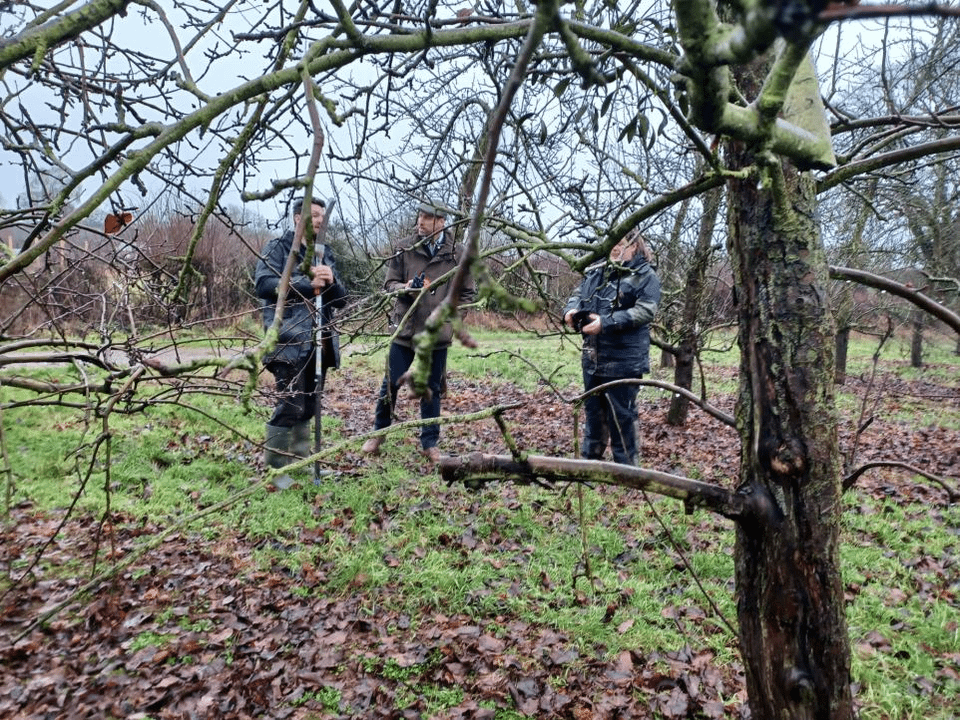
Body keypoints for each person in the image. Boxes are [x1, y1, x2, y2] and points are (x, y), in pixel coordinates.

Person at [361, 199, 476, 463]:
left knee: (431, 388)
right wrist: (406, 288)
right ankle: (379, 433)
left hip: (436, 336)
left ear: (441, 222)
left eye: (427, 218)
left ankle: (429, 442)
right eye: (419, 217)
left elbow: (467, 293)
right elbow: (389, 284)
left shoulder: (457, 254)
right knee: (390, 384)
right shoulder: (404, 247)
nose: (420, 223)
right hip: (405, 329)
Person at [254, 198, 347, 486]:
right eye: (313, 215)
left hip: (320, 342)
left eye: (321, 216)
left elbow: (341, 299)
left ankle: (301, 462)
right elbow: (264, 284)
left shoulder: (323, 253)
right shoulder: (279, 248)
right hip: (288, 340)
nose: (319, 221)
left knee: (308, 406)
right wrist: (309, 284)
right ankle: (276, 470)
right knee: (291, 405)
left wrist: (331, 281)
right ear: (297, 218)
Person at [563, 230, 660, 465]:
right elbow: (579, 294)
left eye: (621, 243)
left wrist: (605, 323)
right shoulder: (597, 272)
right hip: (593, 356)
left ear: (635, 246)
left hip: (624, 359)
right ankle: (589, 463)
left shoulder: (645, 275)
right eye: (611, 244)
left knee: (622, 415)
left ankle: (627, 469)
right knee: (594, 412)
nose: (615, 248)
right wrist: (570, 311)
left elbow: (646, 310)